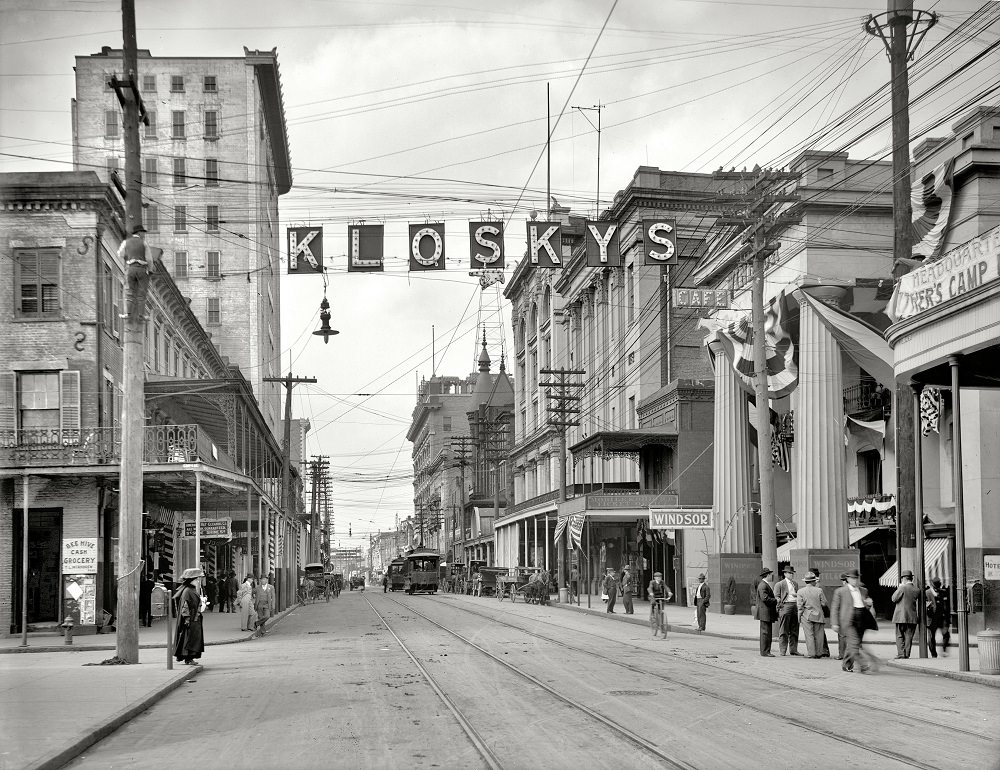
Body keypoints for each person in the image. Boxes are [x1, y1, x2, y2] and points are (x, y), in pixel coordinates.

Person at [832, 568, 878, 673]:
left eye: (856, 578)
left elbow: (866, 606)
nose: (854, 580)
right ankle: (863, 665)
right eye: (852, 578)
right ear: (847, 579)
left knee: (855, 644)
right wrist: (835, 623)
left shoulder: (863, 590)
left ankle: (846, 664)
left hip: (861, 620)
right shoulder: (840, 591)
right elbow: (835, 608)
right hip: (848, 621)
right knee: (854, 643)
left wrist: (869, 604)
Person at [172, 567, 205, 665]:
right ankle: (188, 658)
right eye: (196, 579)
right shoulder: (188, 591)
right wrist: (187, 619)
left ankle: (190, 658)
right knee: (189, 639)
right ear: (191, 580)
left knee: (192, 639)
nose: (198, 581)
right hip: (191, 619)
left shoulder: (191, 590)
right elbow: (185, 606)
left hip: (194, 618)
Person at [796, 571, 829, 658]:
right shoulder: (819, 590)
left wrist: (799, 618)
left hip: (807, 615)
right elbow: (824, 603)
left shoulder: (800, 591)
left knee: (809, 635)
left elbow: (800, 607)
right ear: (813, 581)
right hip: (818, 615)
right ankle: (819, 653)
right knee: (819, 635)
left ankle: (811, 653)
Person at [891, 569, 920, 659]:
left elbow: (894, 598)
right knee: (909, 636)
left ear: (904, 579)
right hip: (912, 617)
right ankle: (907, 654)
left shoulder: (902, 588)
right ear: (911, 579)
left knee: (899, 635)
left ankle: (901, 654)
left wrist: (900, 587)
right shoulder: (917, 589)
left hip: (901, 616)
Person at [774, 565, 801, 655]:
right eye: (789, 573)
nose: (791, 575)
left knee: (795, 629)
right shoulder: (780, 584)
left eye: (792, 573)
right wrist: (779, 602)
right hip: (786, 605)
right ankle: (783, 650)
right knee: (784, 629)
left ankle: (793, 650)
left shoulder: (795, 584)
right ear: (785, 574)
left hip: (795, 606)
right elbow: (776, 596)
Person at [809, 566, 832, 658]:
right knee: (819, 631)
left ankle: (823, 650)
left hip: (817, 611)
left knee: (819, 632)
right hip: (819, 611)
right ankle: (823, 650)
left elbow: (822, 601)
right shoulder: (820, 585)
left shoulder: (818, 586)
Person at [925, 577, 951, 657]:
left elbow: (947, 605)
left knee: (946, 634)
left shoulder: (943, 592)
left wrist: (947, 617)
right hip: (932, 618)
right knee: (931, 637)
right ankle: (933, 654)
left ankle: (944, 650)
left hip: (942, 618)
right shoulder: (927, 593)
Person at [756, 568, 778, 657]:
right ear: (767, 575)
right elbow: (765, 599)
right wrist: (776, 600)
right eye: (770, 574)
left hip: (766, 612)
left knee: (767, 632)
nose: (771, 576)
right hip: (765, 612)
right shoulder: (763, 585)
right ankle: (765, 651)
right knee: (765, 632)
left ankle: (766, 651)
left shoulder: (764, 585)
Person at [648, 571, 672, 638]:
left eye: (660, 577)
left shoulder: (662, 582)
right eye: (657, 577)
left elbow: (666, 587)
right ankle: (653, 614)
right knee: (653, 603)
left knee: (661, 609)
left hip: (660, 596)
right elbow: (649, 588)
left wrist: (669, 592)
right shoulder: (652, 582)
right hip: (654, 596)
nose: (659, 579)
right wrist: (651, 593)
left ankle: (661, 617)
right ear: (655, 578)